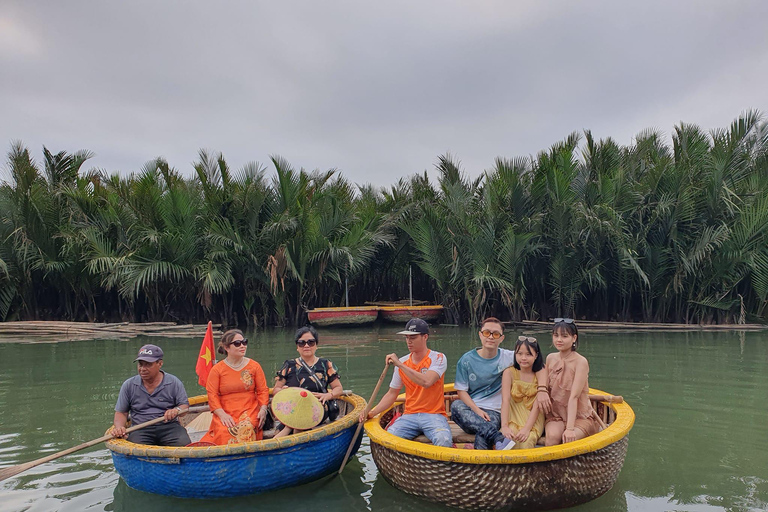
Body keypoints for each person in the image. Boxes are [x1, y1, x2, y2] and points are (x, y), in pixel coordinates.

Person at [361, 318, 452, 448]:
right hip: (409, 416)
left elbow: (427, 381)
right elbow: (392, 394)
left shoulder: (438, 358)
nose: (409, 342)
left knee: (443, 440)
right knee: (387, 439)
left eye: (413, 338)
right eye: (407, 338)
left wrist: (399, 364)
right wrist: (370, 412)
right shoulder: (402, 363)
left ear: (425, 337)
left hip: (434, 415)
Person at [450, 317, 516, 449]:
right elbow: (461, 391)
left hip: (495, 412)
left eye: (495, 334)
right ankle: (498, 438)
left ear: (501, 338)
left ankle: (481, 468)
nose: (491, 337)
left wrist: (542, 388)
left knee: (483, 434)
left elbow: (536, 362)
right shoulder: (466, 360)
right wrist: (477, 411)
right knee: (456, 406)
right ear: (480, 335)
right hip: (472, 411)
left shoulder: (509, 357)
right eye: (487, 333)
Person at [111, 344, 191, 446]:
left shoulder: (173, 382)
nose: (143, 369)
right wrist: (119, 428)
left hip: (169, 427)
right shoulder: (129, 385)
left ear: (160, 364)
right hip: (140, 428)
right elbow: (121, 413)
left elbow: (184, 407)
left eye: (148, 364)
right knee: (135, 449)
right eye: (140, 364)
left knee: (184, 444)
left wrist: (176, 410)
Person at [200, 329, 270, 445]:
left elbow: (263, 390)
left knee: (246, 428)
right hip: (225, 410)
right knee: (224, 431)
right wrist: (222, 414)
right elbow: (212, 395)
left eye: (244, 342)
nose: (242, 346)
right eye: (237, 343)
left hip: (249, 408)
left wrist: (263, 409)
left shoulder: (254, 366)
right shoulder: (217, 370)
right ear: (226, 348)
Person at [272, 326, 344, 437]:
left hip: (317, 406)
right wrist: (282, 391)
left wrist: (328, 395)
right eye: (302, 343)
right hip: (292, 407)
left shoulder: (325, 364)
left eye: (311, 342)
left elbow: (338, 388)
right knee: (292, 418)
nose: (306, 345)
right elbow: (276, 389)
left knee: (297, 422)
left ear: (316, 345)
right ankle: (288, 430)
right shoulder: (289, 365)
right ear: (297, 346)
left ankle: (284, 434)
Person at [481, 336, 546, 450]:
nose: (523, 358)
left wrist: (526, 429)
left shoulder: (540, 373)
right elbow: (505, 400)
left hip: (532, 417)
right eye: (519, 353)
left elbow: (537, 406)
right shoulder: (509, 372)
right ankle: (503, 467)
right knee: (507, 438)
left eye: (528, 354)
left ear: (536, 355)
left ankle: (525, 468)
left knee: (527, 440)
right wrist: (504, 426)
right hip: (513, 415)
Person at [544, 318, 601, 446]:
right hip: (556, 415)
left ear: (574, 338)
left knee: (570, 439)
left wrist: (569, 429)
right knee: (552, 437)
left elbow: (574, 396)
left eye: (564, 336)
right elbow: (545, 387)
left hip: (579, 417)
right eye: (556, 335)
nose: (559, 340)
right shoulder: (550, 358)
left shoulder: (580, 362)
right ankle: (551, 466)